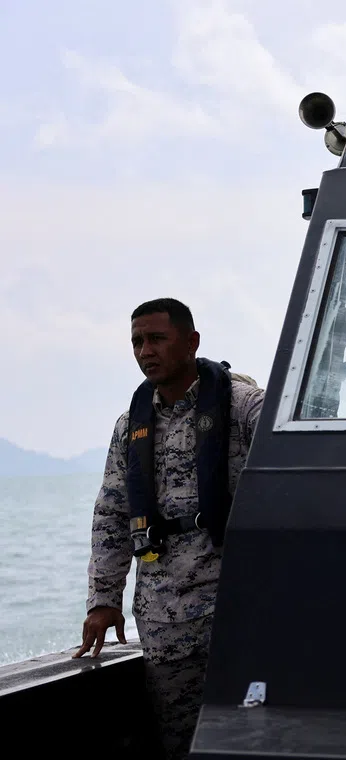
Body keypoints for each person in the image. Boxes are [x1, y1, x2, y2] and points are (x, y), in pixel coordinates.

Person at [74, 298, 264, 760]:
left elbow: (293, 477)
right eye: (137, 342)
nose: (145, 351)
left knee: (254, 735)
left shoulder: (245, 407)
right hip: (164, 618)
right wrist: (103, 600)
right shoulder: (130, 426)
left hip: (240, 607)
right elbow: (112, 514)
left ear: (191, 342)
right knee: (179, 742)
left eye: (157, 338)